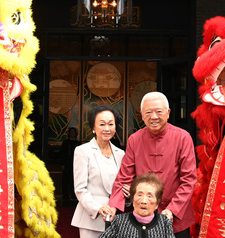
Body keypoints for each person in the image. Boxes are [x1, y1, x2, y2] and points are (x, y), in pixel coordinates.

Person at [107, 92, 197, 238]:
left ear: (168, 113)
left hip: (176, 215)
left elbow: (189, 179)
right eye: (148, 112)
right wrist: (113, 205)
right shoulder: (135, 139)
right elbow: (124, 177)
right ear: (142, 115)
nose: (154, 117)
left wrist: (172, 210)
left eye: (159, 112)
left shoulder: (183, 137)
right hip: (144, 215)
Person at [71, 106, 125, 238]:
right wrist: (98, 208)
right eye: (102, 124)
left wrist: (127, 194)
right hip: (91, 218)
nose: (107, 128)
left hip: (115, 216)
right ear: (93, 128)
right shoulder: (83, 151)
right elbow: (80, 189)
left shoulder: (120, 153)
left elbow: (120, 185)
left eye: (111, 124)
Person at [99, 173, 174, 238]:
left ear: (157, 204)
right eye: (140, 195)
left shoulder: (164, 223)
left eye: (149, 196)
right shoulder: (119, 221)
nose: (143, 201)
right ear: (133, 199)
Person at [60, 126, 80, 205]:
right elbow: (62, 154)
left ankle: (74, 196)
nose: (72, 133)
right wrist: (62, 164)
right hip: (66, 164)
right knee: (65, 180)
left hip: (76, 165)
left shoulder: (78, 143)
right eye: (70, 132)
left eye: (73, 132)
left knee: (74, 181)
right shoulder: (65, 143)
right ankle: (65, 196)